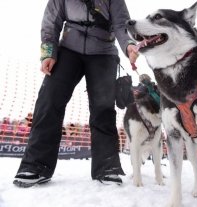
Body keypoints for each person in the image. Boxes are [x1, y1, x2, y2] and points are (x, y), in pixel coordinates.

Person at [13, 0, 139, 188]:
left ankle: (107, 167)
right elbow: (51, 22)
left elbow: (121, 23)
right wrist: (48, 53)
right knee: (48, 102)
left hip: (103, 53)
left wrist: (129, 45)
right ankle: (36, 166)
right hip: (68, 50)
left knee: (103, 108)